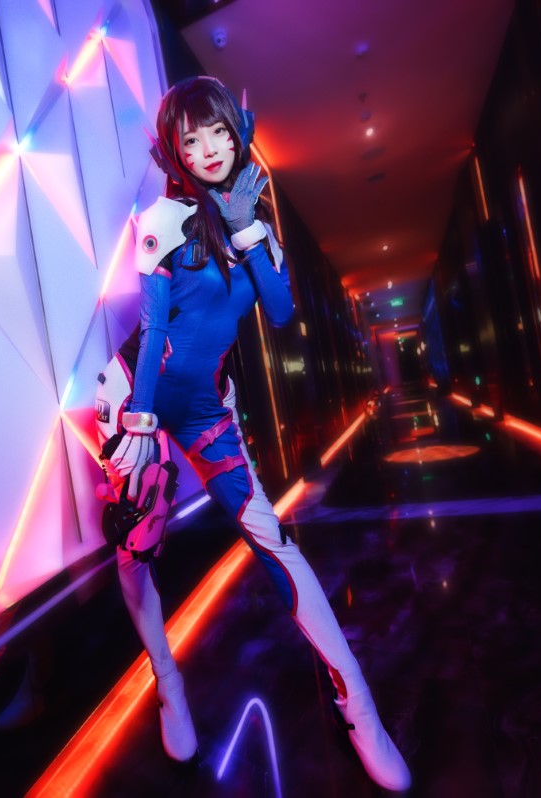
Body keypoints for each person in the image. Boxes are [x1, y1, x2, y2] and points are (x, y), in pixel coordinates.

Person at [94, 76, 411, 792]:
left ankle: (358, 705)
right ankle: (168, 682)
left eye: (219, 132)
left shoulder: (252, 223)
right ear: (175, 150)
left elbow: (281, 310)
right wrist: (140, 421)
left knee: (274, 542)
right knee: (137, 547)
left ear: (239, 133)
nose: (209, 148)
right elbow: (155, 328)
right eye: (192, 138)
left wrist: (246, 229)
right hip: (136, 398)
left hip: (209, 408)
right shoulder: (162, 221)